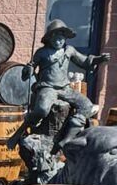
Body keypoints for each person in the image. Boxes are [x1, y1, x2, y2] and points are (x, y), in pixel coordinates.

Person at [7, 19, 109, 153]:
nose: (58, 42)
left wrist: (99, 59)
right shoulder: (42, 52)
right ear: (49, 38)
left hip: (65, 88)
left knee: (86, 106)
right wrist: (29, 69)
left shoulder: (69, 50)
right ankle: (20, 131)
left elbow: (84, 61)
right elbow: (30, 67)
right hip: (47, 87)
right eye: (55, 39)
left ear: (65, 39)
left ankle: (67, 139)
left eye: (61, 39)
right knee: (42, 109)